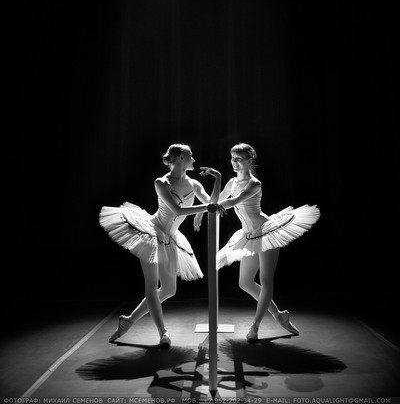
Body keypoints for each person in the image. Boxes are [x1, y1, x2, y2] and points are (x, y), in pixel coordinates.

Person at [99, 143, 225, 348]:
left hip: (170, 237)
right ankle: (163, 333)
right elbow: (178, 210)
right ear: (180, 158)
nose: (194, 159)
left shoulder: (194, 184)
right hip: (151, 232)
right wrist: (205, 209)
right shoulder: (161, 182)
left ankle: (129, 320)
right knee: (151, 286)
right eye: (190, 156)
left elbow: (213, 203)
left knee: (169, 289)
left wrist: (218, 179)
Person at [194, 143, 320, 342]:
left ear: (249, 160)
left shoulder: (255, 184)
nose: (234, 162)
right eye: (232, 158)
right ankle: (279, 315)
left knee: (266, 279)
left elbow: (233, 202)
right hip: (248, 234)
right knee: (244, 282)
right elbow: (215, 199)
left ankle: (255, 326)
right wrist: (203, 208)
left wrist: (210, 208)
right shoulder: (232, 182)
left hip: (266, 232)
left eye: (238, 159)